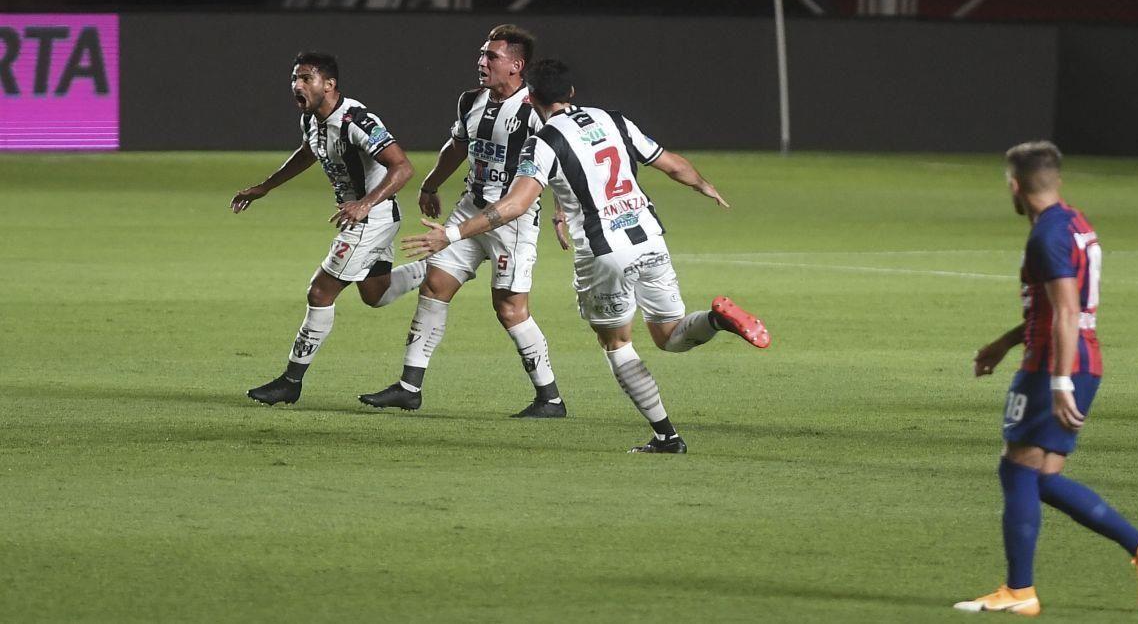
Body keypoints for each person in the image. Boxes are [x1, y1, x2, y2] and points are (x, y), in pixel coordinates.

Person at [401, 59, 771, 453]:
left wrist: (453, 233)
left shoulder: (543, 141)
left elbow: (515, 205)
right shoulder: (613, 119)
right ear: (571, 93)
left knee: (617, 344)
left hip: (604, 253)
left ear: (530, 97)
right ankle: (715, 319)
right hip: (649, 239)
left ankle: (667, 436)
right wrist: (704, 185)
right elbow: (668, 162)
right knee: (670, 336)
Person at [954, 142, 1138, 615]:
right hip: (1080, 358)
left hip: (1055, 363)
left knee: (1015, 469)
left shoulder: (1047, 237)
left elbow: (1067, 311)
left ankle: (1020, 591)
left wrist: (1058, 382)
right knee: (1044, 479)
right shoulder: (1073, 222)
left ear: (1015, 186)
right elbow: (1056, 307)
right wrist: (1004, 342)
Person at [358, 25, 570, 419]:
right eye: (481, 54)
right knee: (436, 285)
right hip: (471, 208)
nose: (481, 61)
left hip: (513, 221)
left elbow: (565, 156)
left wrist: (561, 209)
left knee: (509, 309)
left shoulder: (537, 108)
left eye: (492, 56)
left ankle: (550, 398)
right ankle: (409, 387)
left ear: (516, 65)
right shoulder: (471, 101)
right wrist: (431, 182)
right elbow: (458, 146)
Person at [231, 52, 426, 406]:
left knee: (320, 292)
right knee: (375, 294)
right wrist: (265, 186)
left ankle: (291, 381)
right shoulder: (312, 119)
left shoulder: (357, 120)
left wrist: (365, 202)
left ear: (330, 85)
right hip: (368, 217)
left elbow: (403, 167)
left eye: (306, 78)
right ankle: (437, 268)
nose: (297, 85)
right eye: (295, 78)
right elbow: (309, 153)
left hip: (370, 219)